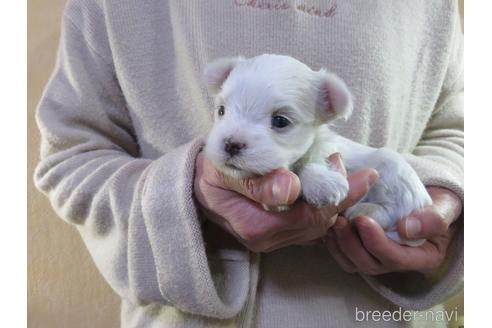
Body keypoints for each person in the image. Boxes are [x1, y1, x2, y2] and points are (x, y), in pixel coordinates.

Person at [34, 0, 463, 327]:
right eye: (222, 112)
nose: (234, 138)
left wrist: (435, 205)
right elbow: (70, 156)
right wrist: (183, 198)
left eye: (279, 122)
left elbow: (461, 129)